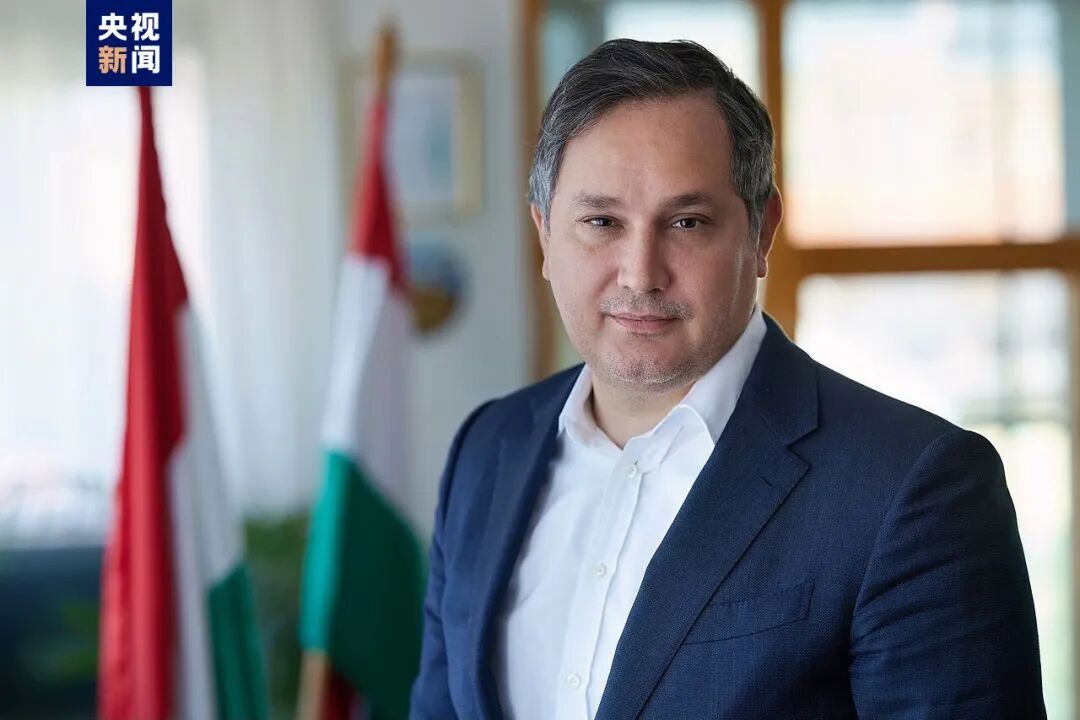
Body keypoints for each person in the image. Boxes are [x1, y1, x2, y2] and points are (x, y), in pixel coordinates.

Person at [408, 38, 1045, 719]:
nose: (640, 273)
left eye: (687, 222)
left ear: (761, 232)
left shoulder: (913, 487)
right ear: (544, 234)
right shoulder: (486, 449)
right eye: (601, 222)